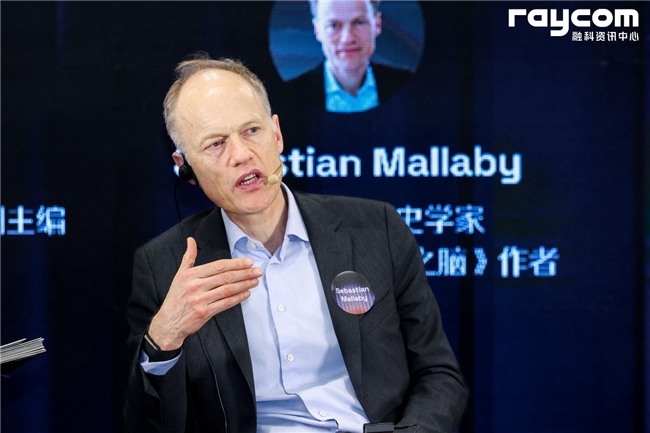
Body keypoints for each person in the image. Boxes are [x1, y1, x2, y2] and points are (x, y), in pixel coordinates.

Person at [124, 53, 467, 433]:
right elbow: (146, 426)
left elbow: (439, 375)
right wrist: (164, 337)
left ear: (277, 134)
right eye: (216, 144)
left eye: (251, 131)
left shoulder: (376, 228)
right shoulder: (164, 267)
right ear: (185, 167)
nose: (242, 155)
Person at [286, 0, 412, 113]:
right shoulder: (289, 98)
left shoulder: (409, 87)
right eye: (333, 25)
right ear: (317, 30)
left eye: (359, 22)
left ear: (377, 24)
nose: (347, 38)